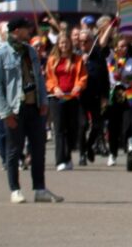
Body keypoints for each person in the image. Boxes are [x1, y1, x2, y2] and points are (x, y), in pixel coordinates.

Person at [0, 17, 63, 203]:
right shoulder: (0, 54)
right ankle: (15, 189)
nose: (29, 32)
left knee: (39, 149)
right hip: (15, 108)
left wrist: (44, 101)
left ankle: (40, 189)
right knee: (14, 150)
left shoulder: (31, 52)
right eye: (25, 29)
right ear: (16, 31)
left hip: (34, 107)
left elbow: (39, 78)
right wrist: (5, 113)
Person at [45, 32, 87, 172]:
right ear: (58, 44)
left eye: (66, 43)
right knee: (59, 129)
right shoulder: (52, 60)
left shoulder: (77, 59)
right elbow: (49, 78)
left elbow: (83, 77)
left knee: (72, 128)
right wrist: (54, 88)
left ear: (70, 44)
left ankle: (68, 157)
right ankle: (60, 160)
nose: (64, 45)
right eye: (61, 43)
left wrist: (78, 86)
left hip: (72, 97)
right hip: (57, 98)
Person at [77, 22, 112, 165]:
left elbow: (104, 76)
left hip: (95, 95)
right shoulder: (76, 56)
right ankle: (81, 154)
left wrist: (105, 95)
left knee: (97, 125)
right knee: (83, 124)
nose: (83, 43)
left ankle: (89, 146)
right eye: (81, 41)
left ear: (92, 41)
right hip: (80, 96)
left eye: (86, 41)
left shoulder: (98, 55)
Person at [105, 34, 132, 166]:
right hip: (113, 93)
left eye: (125, 46)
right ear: (115, 48)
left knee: (127, 123)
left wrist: (124, 79)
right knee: (113, 126)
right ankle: (112, 153)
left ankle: (129, 147)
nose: (123, 49)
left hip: (125, 92)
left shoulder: (131, 61)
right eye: (120, 46)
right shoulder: (110, 60)